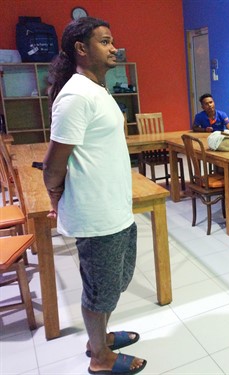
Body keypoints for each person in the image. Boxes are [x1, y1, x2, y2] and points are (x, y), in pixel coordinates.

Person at [43, 17, 147, 374]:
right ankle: (99, 357)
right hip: (95, 215)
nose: (114, 47)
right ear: (82, 49)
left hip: (115, 208)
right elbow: (53, 163)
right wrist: (56, 195)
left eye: (112, 40)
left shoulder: (97, 90)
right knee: (100, 290)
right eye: (105, 41)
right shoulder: (74, 95)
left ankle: (99, 337)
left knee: (115, 283)